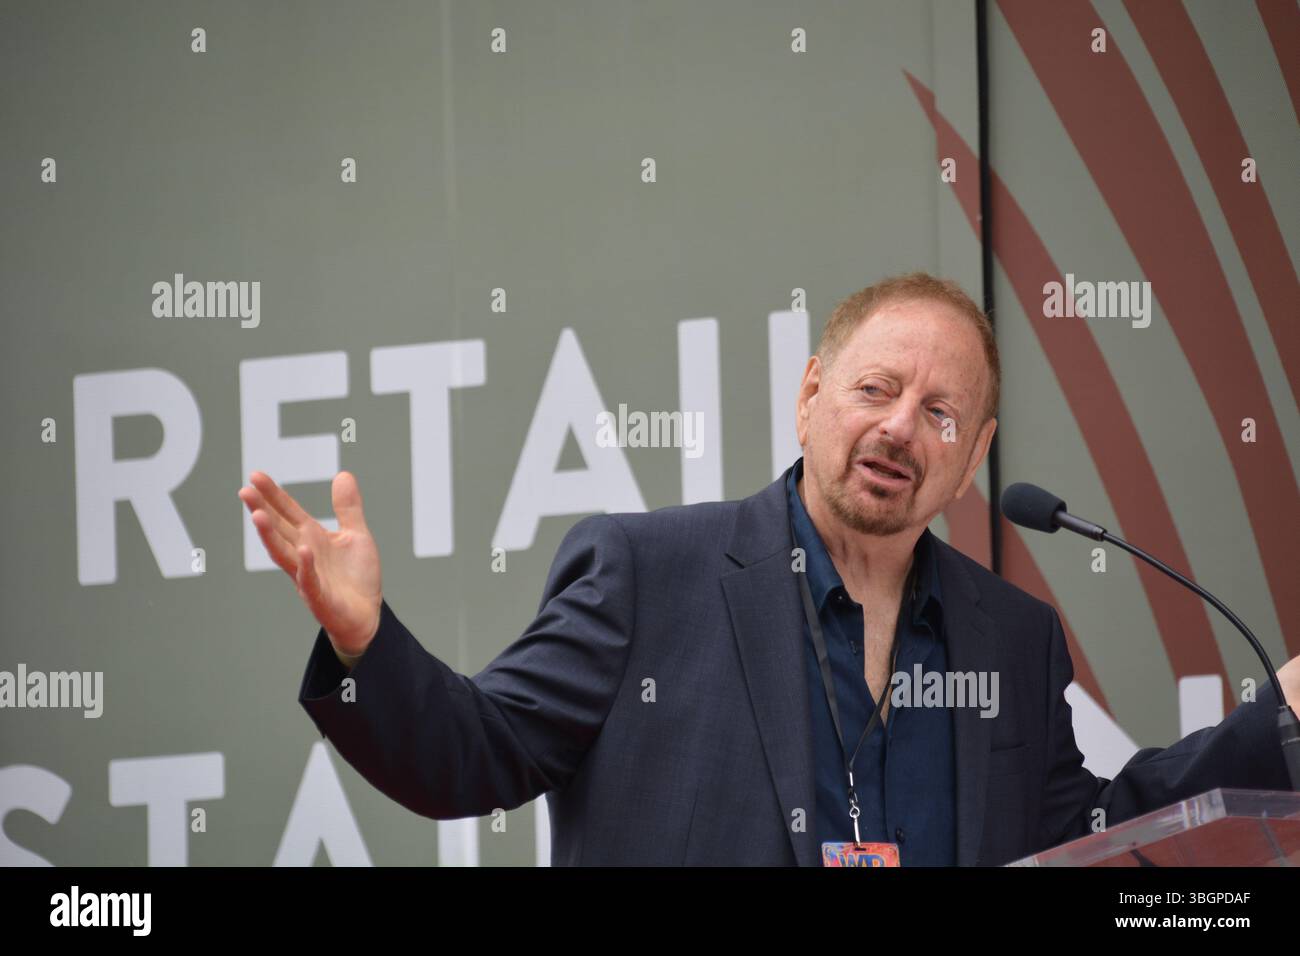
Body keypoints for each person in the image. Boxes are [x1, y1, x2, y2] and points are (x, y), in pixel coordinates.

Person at [238, 272, 1298, 866]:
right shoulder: (649, 573)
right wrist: (363, 642)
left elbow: (1091, 838)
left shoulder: (1010, 638)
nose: (897, 427)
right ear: (809, 396)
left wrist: (1282, 718)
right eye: (874, 389)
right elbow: (473, 755)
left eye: (938, 413)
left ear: (973, 456)